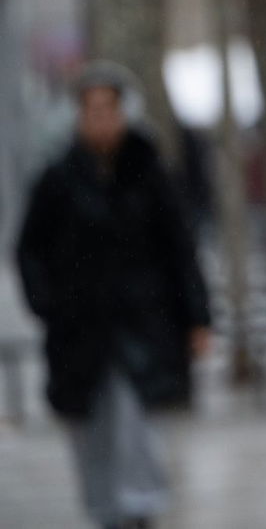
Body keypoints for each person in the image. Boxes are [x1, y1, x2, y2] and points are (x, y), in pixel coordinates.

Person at [15, 62, 212, 529]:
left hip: (144, 324)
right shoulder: (58, 180)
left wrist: (197, 318)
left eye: (109, 109)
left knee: (140, 424)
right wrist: (49, 303)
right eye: (93, 110)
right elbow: (31, 249)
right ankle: (107, 510)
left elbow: (180, 250)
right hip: (80, 330)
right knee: (93, 430)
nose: (101, 120)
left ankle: (141, 507)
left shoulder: (151, 174)